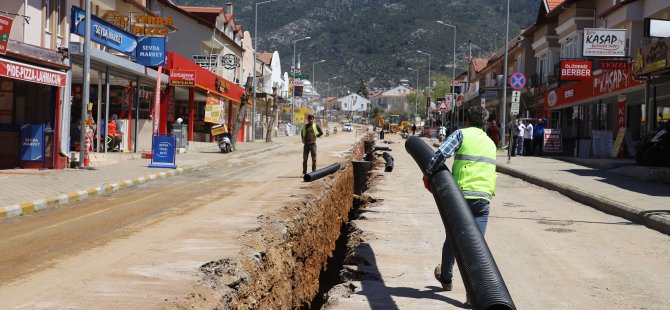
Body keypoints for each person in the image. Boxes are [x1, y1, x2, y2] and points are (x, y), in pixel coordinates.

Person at [422, 106, 497, 305]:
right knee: (476, 249)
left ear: (468, 120)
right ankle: (473, 297)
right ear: (486, 123)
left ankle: (446, 277)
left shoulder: (461, 134)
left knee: (454, 239)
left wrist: (428, 174)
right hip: (483, 199)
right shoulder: (490, 143)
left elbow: (440, 155)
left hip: (462, 196)